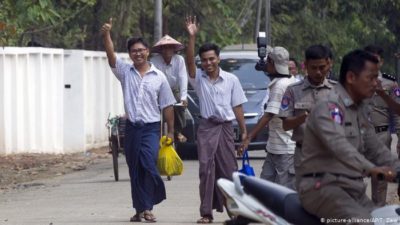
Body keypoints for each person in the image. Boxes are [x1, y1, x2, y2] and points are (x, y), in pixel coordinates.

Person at [296, 49, 400, 224]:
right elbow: (338, 146)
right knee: (363, 222)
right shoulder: (330, 106)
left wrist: (398, 169)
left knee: (386, 220)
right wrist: (372, 169)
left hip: (352, 190)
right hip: (323, 187)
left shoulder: (358, 109)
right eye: (371, 78)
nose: (376, 84)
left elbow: (376, 148)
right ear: (351, 77)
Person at [101, 18, 176, 222]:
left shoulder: (159, 77)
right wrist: (106, 34)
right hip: (132, 128)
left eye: (141, 50)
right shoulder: (125, 72)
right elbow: (111, 57)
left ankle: (149, 206)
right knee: (134, 169)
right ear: (130, 54)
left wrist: (170, 131)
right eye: (134, 51)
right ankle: (139, 210)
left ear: (147, 51)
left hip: (151, 129)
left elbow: (167, 106)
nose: (138, 53)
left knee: (149, 164)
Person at [185, 16, 247, 224]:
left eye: (212, 59)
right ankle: (206, 213)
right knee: (205, 171)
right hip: (206, 128)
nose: (208, 63)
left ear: (218, 58)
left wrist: (244, 131)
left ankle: (237, 213)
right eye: (205, 60)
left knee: (230, 171)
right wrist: (191, 37)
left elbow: (237, 106)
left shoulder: (231, 79)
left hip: (226, 128)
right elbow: (189, 62)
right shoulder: (198, 79)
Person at [241, 46, 297, 189]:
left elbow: (269, 115)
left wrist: (249, 138)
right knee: (265, 189)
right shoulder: (289, 80)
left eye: (267, 62)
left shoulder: (280, 86)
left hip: (285, 150)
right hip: (274, 148)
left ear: (272, 62)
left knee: (281, 193)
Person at [279, 45, 336, 176]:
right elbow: (285, 125)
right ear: (305, 66)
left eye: (322, 68)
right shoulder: (293, 91)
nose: (318, 72)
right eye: (313, 68)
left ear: (329, 64)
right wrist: (303, 117)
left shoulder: (338, 91)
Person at [364, 44, 400, 206]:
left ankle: (378, 214)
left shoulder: (390, 83)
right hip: (359, 134)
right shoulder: (355, 80)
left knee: (380, 180)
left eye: (375, 60)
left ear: (382, 62)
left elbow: (397, 112)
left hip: (381, 136)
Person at [151, 35, 189, 142]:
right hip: (158, 91)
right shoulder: (154, 61)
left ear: (174, 49)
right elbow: (153, 78)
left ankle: (178, 131)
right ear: (161, 50)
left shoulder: (179, 60)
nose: (167, 50)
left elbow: (183, 77)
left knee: (180, 105)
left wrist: (183, 97)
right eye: (165, 48)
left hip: (173, 89)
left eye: (170, 47)